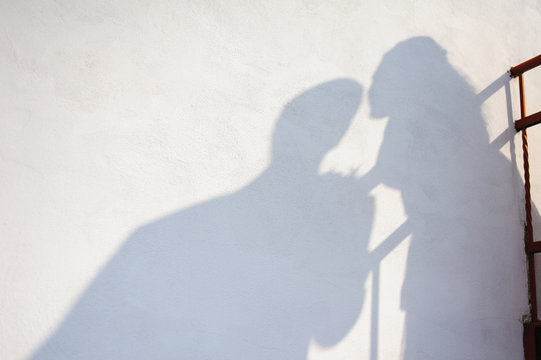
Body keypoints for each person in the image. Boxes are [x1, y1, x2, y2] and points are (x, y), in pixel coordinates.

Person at [32, 79, 372, 359]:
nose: (310, 136)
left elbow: (330, 329)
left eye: (323, 127)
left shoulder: (164, 233)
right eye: (309, 125)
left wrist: (352, 245)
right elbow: (331, 329)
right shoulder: (166, 235)